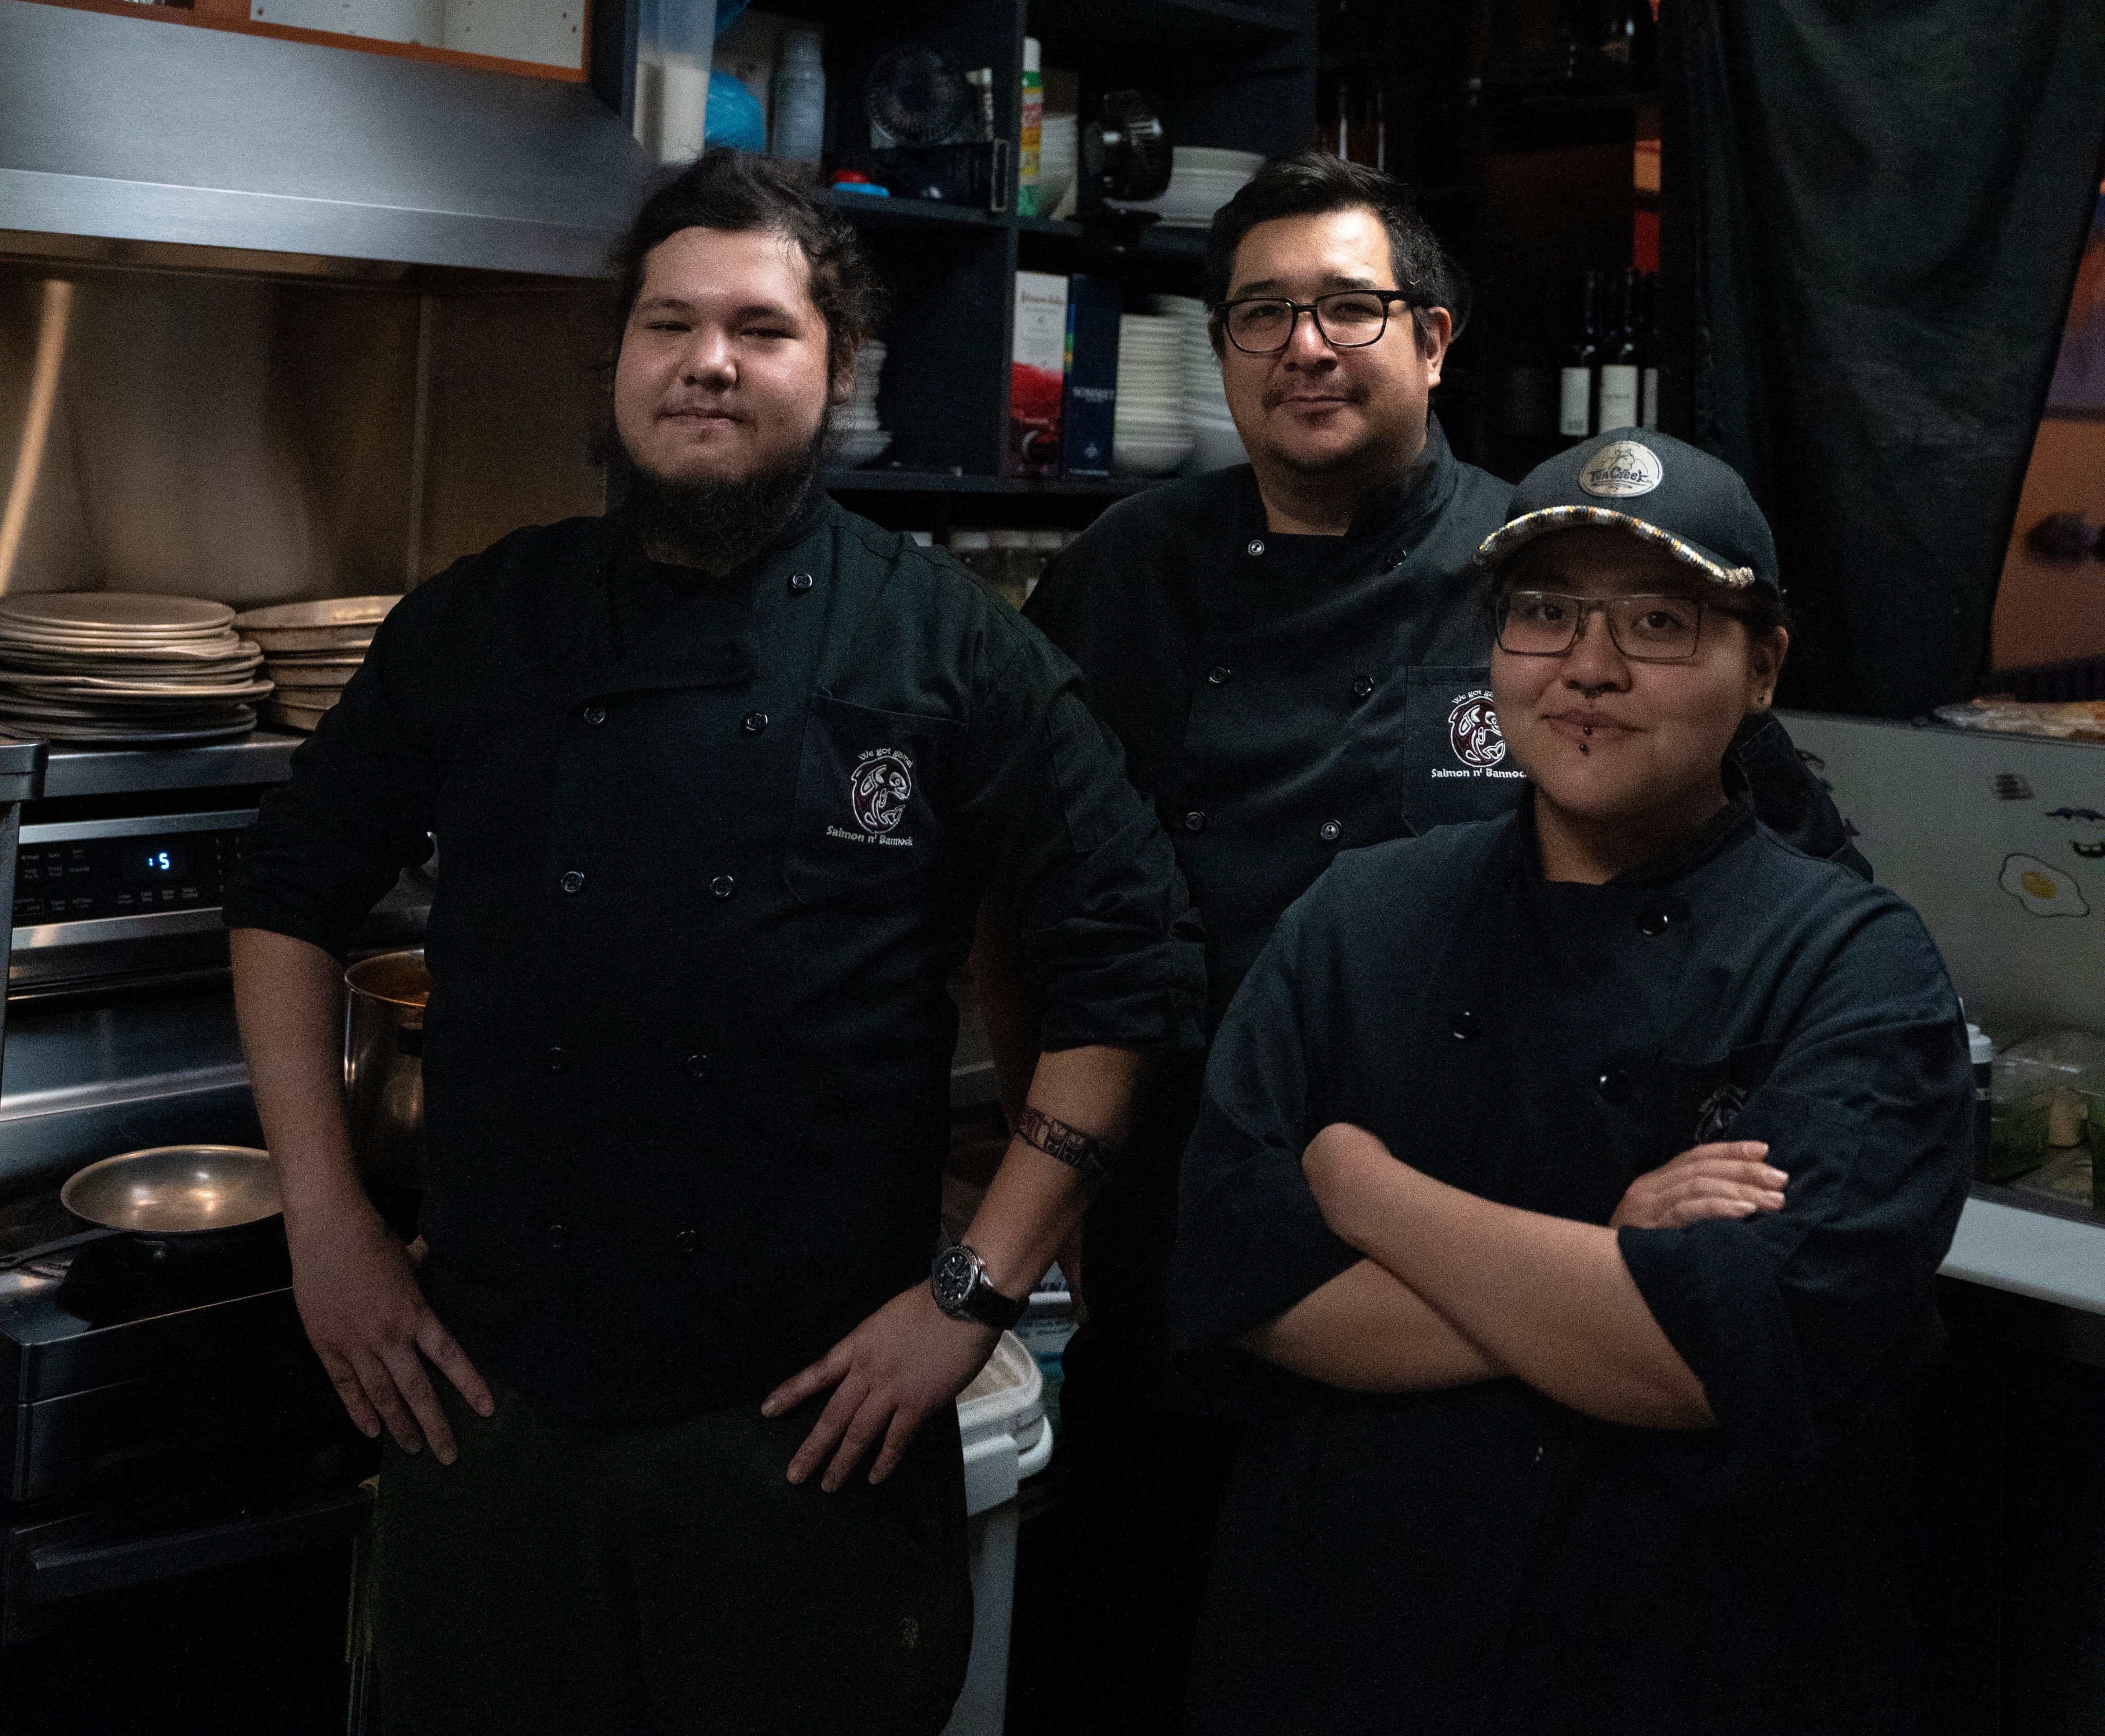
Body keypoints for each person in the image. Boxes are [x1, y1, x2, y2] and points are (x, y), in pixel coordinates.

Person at [226, 151, 1203, 1736]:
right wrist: (325, 1225)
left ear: (839, 369)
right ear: (617, 357)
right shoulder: (482, 620)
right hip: (491, 1399)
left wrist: (971, 1295)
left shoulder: (948, 646)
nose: (708, 362)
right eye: (670, 323)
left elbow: (1129, 964)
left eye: (761, 327)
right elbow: (287, 893)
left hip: (809, 1426)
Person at [992, 152, 1854, 1730]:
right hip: (1188, 1260)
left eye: (1348, 307)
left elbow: (1789, 894)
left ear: (1436, 340)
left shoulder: (1545, 572)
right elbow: (1035, 906)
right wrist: (1035, 1180)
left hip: (1497, 1302)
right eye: (1261, 314)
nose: (1304, 347)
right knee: (1129, 1668)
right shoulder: (1118, 576)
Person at [1170, 431, 1972, 1736]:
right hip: (1348, 1630)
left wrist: (1363, 1190)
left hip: (1670, 1644)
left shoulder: (1848, 964)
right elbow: (1237, 1276)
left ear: (1759, 667)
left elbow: (1719, 1354)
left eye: (1657, 622)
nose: (1587, 669)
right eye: (1544, 614)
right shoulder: (1360, 913)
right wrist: (1605, 1260)